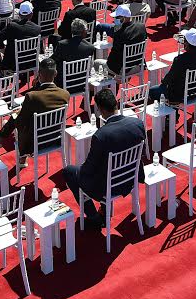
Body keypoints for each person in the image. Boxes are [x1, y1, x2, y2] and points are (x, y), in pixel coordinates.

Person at [60, 87, 145, 229]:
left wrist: (80, 169)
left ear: (100, 110)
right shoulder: (138, 123)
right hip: (130, 178)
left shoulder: (101, 135)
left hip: (108, 185)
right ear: (116, 104)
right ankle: (103, 211)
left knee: (69, 172)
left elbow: (88, 169)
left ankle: (94, 217)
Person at [0, 57, 69, 155]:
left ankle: (12, 148)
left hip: (34, 143)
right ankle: (0, 136)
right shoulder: (65, 94)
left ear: (39, 74)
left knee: (18, 116)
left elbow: (21, 122)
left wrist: (16, 114)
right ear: (55, 73)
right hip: (55, 139)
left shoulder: (32, 96)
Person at [151, 28, 196, 104]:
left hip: (180, 95)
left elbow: (168, 80)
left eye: (184, 41)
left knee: (151, 91)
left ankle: (170, 109)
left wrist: (163, 82)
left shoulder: (180, 60)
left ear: (187, 43)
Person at [0, 1, 41, 72]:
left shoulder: (12, 26)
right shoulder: (37, 28)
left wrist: (1, 48)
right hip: (30, 62)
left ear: (19, 14)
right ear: (31, 14)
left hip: (12, 64)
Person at [106, 4, 148, 76]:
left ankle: (112, 82)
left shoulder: (119, 33)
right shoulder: (141, 26)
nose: (115, 19)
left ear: (124, 18)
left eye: (117, 17)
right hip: (139, 64)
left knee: (98, 62)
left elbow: (114, 54)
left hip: (124, 68)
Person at [51, 18, 95, 87]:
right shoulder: (90, 47)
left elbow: (53, 60)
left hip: (63, 83)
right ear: (83, 32)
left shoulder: (62, 45)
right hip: (82, 82)